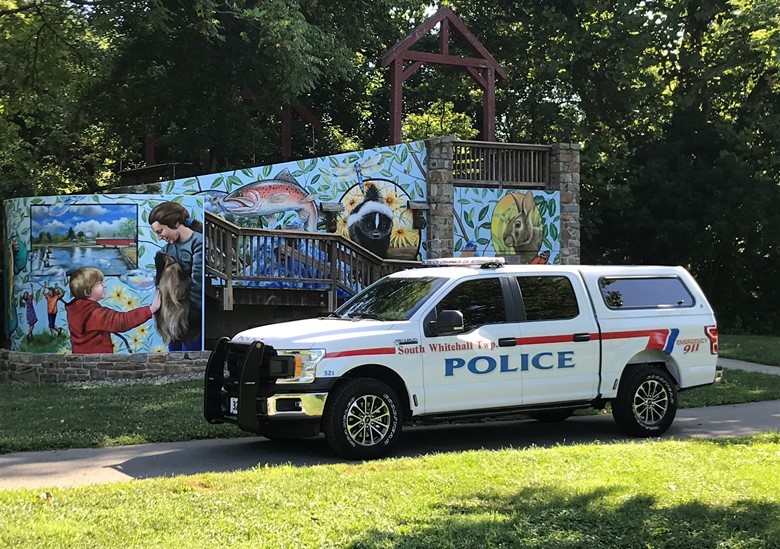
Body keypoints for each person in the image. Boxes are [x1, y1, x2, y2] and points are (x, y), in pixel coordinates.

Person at [65, 267, 161, 354]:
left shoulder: (76, 309)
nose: (104, 285)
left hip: (82, 360)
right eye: (99, 284)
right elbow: (122, 321)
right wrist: (151, 309)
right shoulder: (94, 314)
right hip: (98, 362)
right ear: (87, 292)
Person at [149, 201, 203, 351]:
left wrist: (190, 314)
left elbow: (198, 282)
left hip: (190, 317)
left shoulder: (198, 242)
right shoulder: (166, 250)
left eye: (160, 231)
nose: (159, 237)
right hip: (171, 318)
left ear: (175, 223)